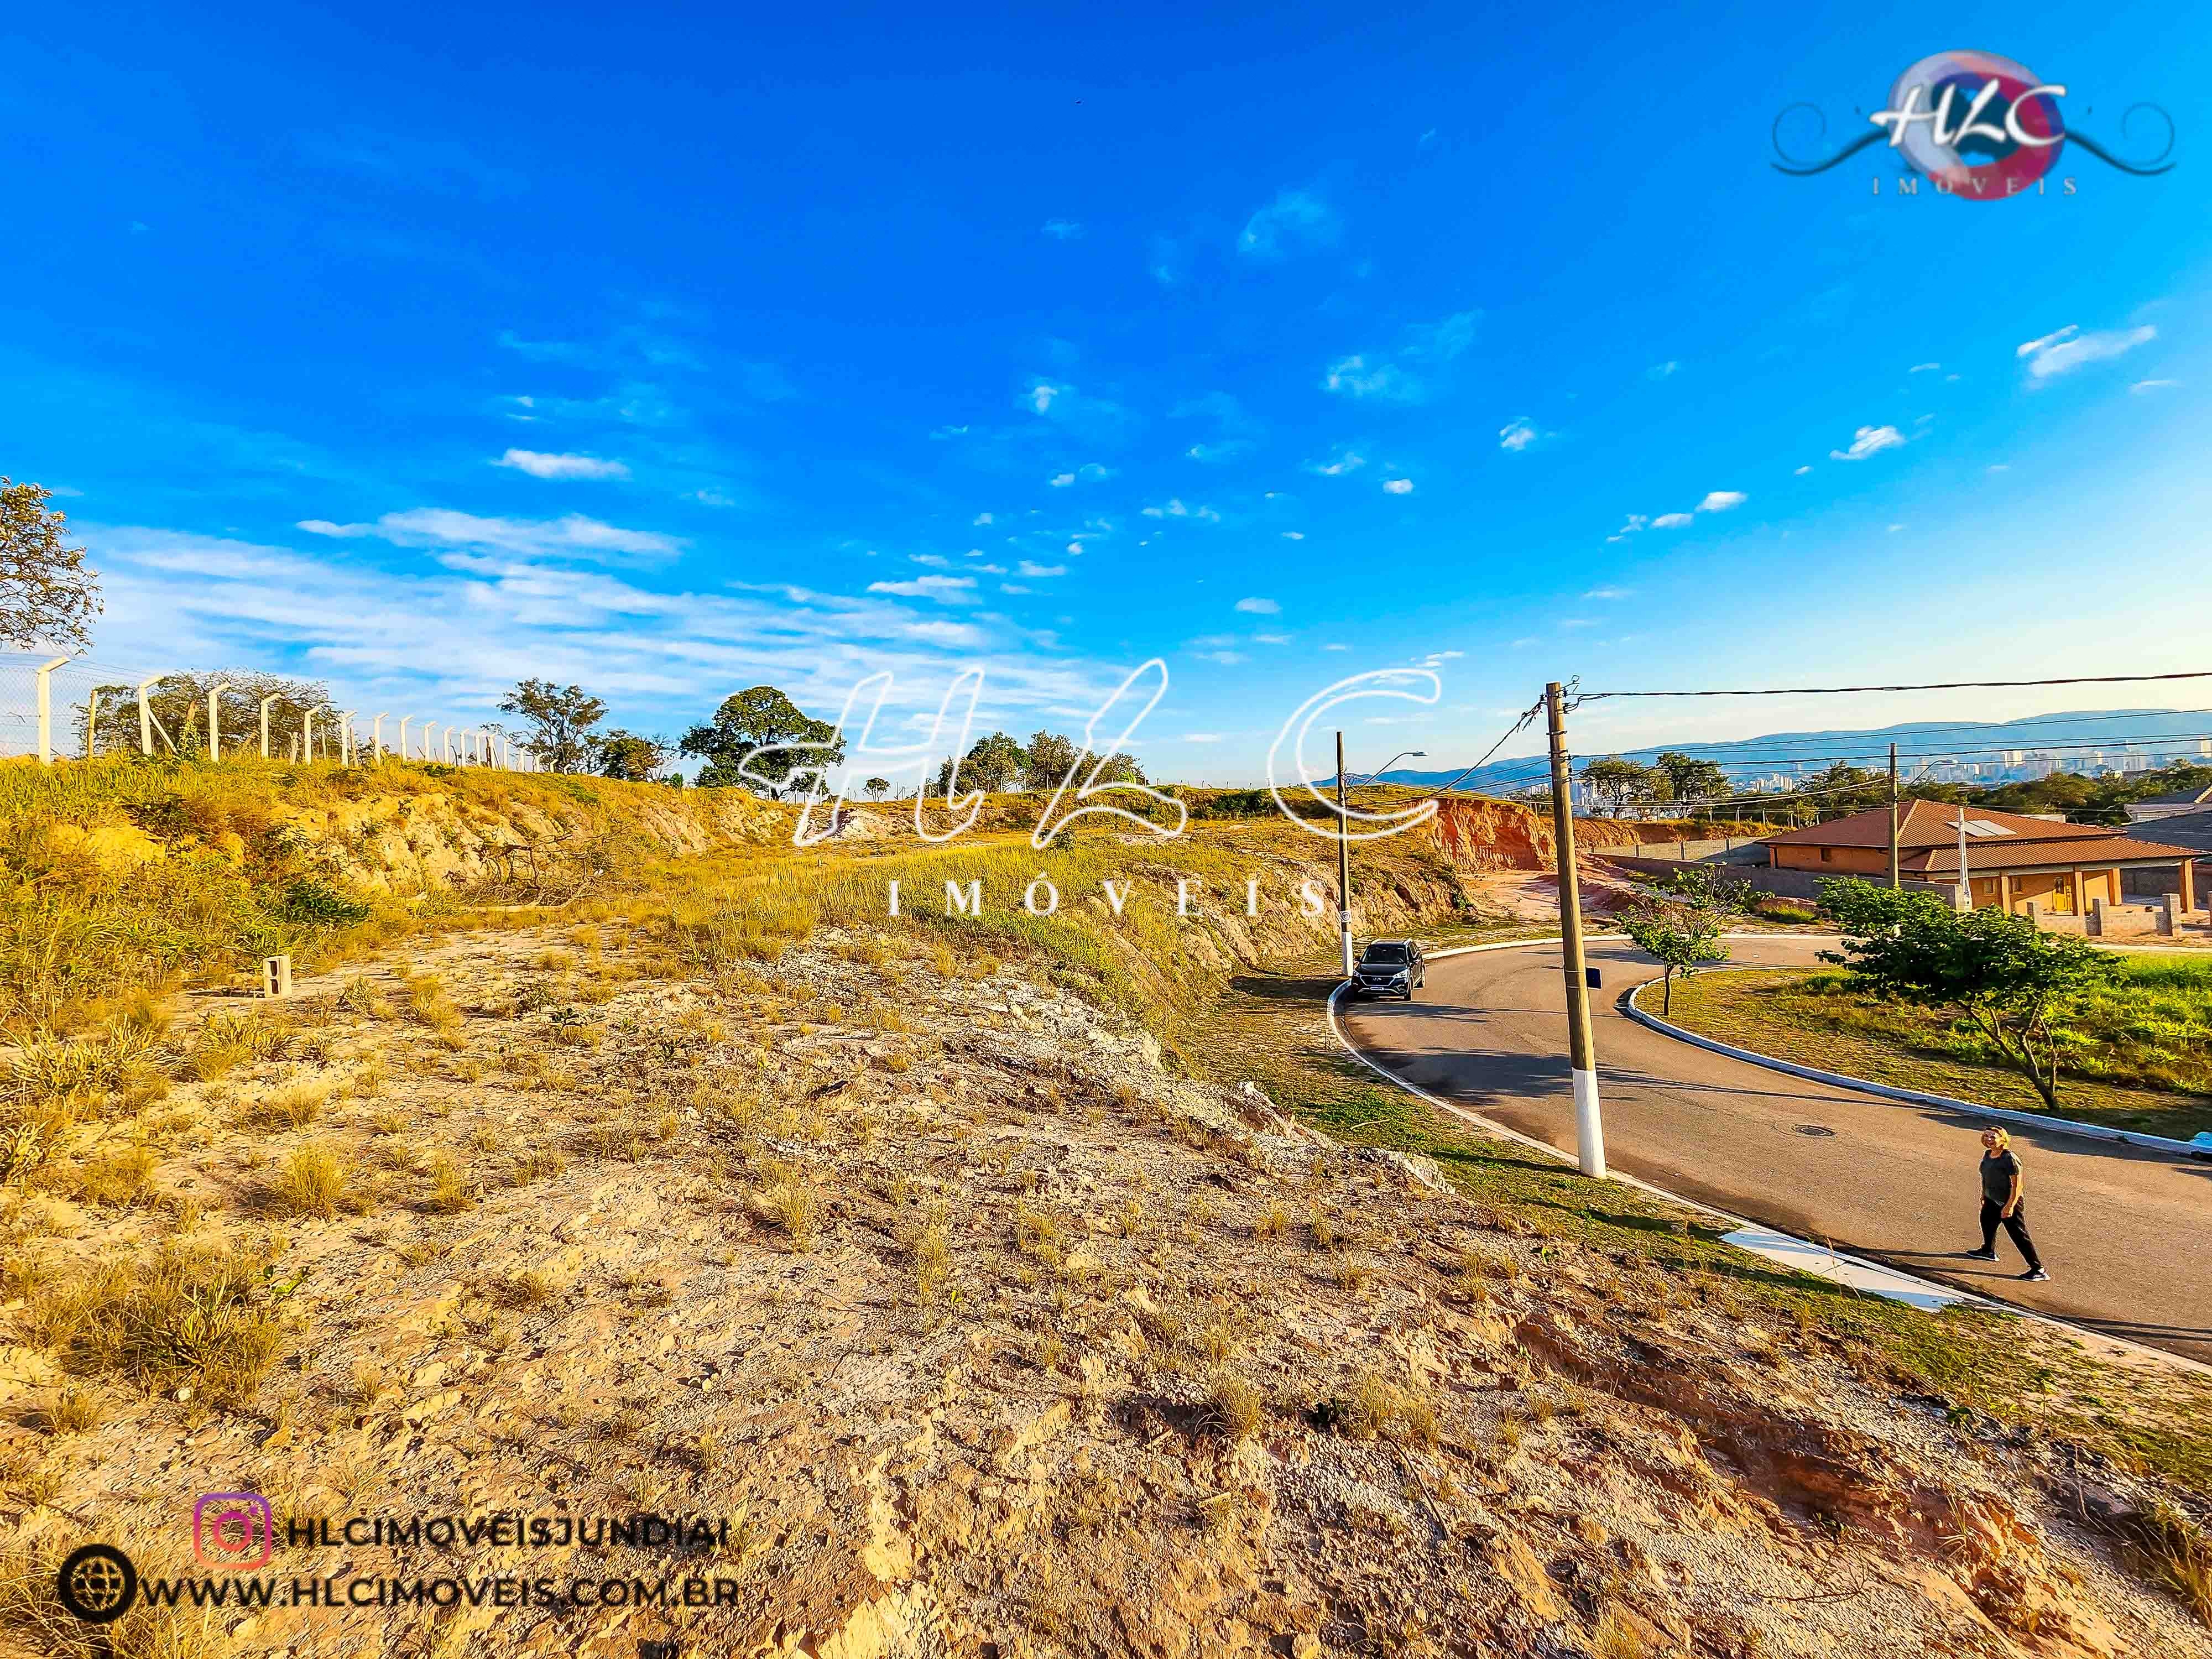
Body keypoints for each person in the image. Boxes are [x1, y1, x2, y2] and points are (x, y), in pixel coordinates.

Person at [1967, 1125, 2048, 1281]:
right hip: (1992, 1199)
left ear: (2003, 1139)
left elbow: (2018, 1186)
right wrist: (1984, 1195)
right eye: (1986, 1136)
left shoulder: (2010, 1158)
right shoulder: (1988, 1155)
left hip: (2009, 1201)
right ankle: (1988, 1251)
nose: (1989, 1139)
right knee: (1987, 1223)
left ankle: (2039, 1269)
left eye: (1993, 1137)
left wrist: (2009, 1206)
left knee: (2018, 1235)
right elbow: (1986, 1177)